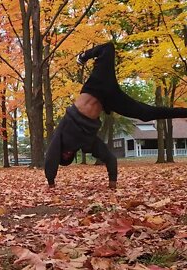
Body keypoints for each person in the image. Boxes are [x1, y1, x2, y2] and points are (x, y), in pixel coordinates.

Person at [45, 42, 187, 189]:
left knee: (108, 48)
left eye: (64, 155)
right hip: (110, 98)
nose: (67, 154)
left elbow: (51, 156)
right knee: (145, 114)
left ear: (61, 153)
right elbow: (109, 157)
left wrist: (51, 183)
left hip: (96, 86)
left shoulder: (61, 133)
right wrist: (112, 183)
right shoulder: (87, 143)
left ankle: (84, 55)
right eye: (68, 157)